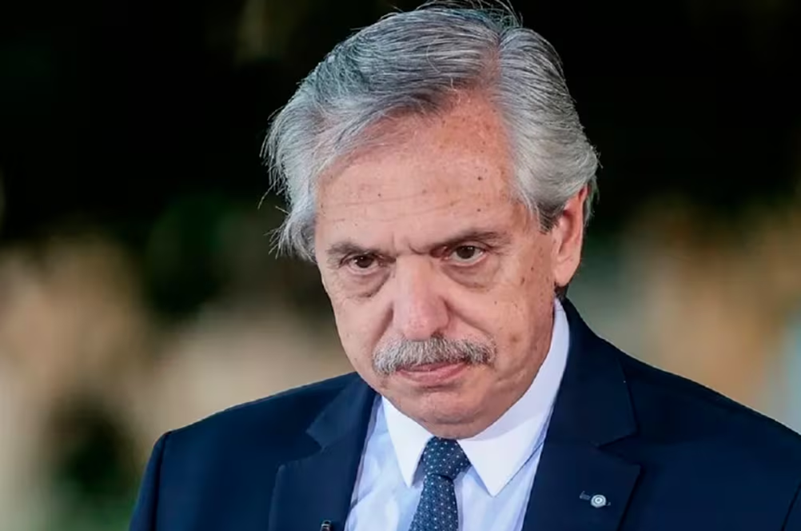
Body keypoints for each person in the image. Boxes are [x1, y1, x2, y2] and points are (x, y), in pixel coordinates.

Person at [128, 2, 801, 530]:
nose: (417, 319)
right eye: (363, 261)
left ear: (563, 233)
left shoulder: (762, 494)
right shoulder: (197, 481)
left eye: (464, 253)